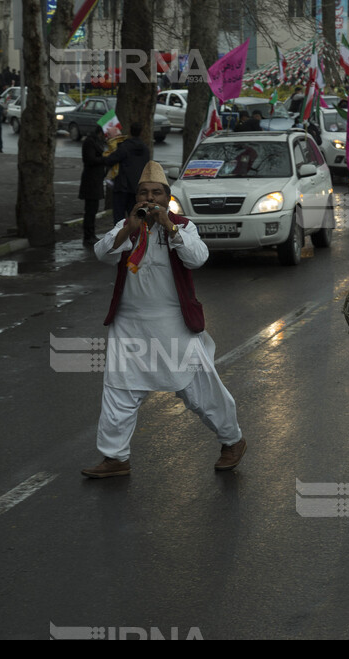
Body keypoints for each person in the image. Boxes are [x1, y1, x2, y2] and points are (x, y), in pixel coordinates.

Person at [83, 161, 246, 478]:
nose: (149, 198)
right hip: (129, 324)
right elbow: (102, 253)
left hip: (172, 324)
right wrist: (130, 228)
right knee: (119, 389)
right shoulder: (127, 226)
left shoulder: (183, 226)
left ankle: (232, 440)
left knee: (198, 390)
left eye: (156, 193)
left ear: (167, 198)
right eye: (144, 193)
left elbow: (198, 258)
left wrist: (169, 227)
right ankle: (115, 458)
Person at [104, 122, 150, 226]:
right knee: (134, 216)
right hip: (136, 188)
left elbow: (109, 160)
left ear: (130, 132)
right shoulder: (145, 149)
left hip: (122, 186)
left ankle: (120, 237)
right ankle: (133, 238)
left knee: (119, 218)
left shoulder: (124, 146)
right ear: (141, 133)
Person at [79, 126, 107, 246]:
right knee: (90, 210)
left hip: (95, 180)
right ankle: (88, 235)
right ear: (100, 132)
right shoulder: (90, 142)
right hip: (91, 181)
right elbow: (90, 159)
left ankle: (91, 234)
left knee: (93, 209)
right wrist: (104, 159)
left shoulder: (96, 141)